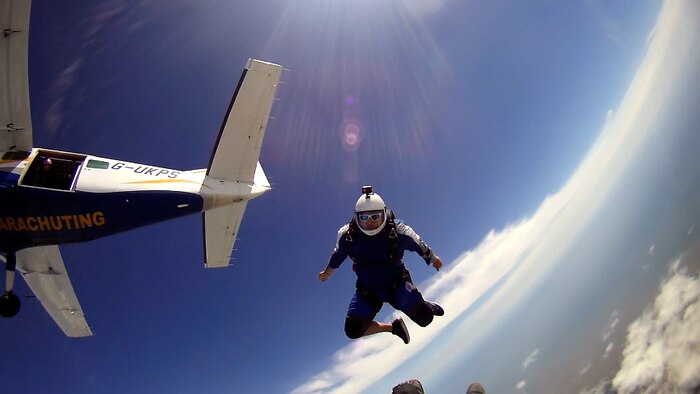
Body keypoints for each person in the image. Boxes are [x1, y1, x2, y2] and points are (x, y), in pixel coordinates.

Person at [318, 185, 444, 344]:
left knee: (425, 319)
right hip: (368, 291)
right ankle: (394, 327)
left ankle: (424, 305)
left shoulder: (397, 230)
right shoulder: (347, 235)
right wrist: (327, 272)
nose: (370, 223)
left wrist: (433, 259)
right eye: (364, 218)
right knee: (352, 330)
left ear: (384, 214)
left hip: (396, 284)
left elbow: (418, 244)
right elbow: (338, 255)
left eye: (375, 217)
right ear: (356, 218)